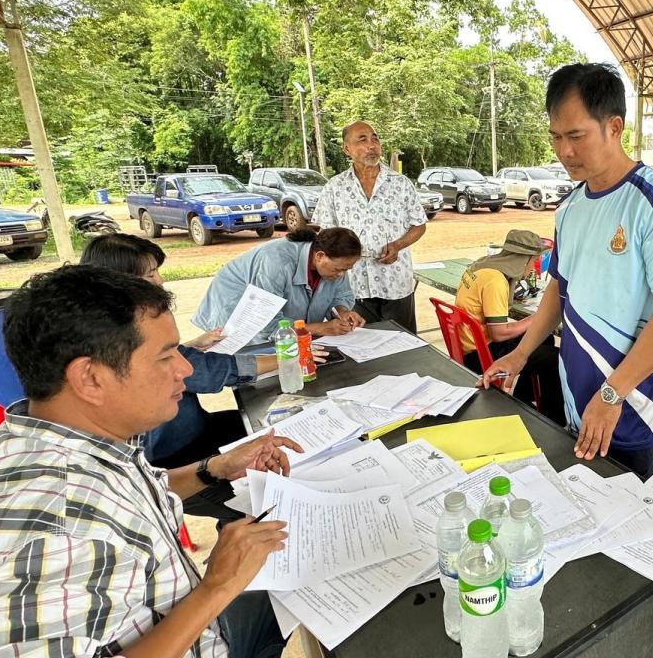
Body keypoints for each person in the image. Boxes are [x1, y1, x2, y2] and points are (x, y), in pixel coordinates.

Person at [0, 264, 301, 657]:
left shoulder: (64, 437)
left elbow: (127, 502)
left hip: (185, 624)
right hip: (196, 620)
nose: (185, 370)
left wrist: (213, 468)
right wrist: (216, 587)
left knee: (300, 570)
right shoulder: (51, 540)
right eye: (166, 356)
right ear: (90, 378)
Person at [482, 63, 653, 481]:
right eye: (556, 137)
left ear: (614, 127)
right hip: (576, 391)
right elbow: (559, 288)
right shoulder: (570, 208)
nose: (564, 151)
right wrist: (521, 353)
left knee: (624, 521)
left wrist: (613, 393)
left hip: (632, 402)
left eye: (576, 136)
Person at [80, 235, 328, 518]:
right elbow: (208, 372)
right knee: (266, 506)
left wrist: (188, 346)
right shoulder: (119, 341)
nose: (159, 281)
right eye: (150, 275)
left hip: (199, 432)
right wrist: (287, 358)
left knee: (282, 433)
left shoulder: (119, 327)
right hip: (174, 462)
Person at [312, 120, 428, 332]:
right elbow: (325, 234)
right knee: (361, 348)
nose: (372, 145)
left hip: (395, 282)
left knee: (404, 346)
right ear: (347, 149)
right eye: (362, 140)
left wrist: (398, 245)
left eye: (375, 139)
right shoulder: (335, 187)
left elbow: (419, 225)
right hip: (352, 285)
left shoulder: (400, 184)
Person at [456, 229, 565, 425]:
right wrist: (539, 318)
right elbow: (498, 334)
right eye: (533, 262)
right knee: (555, 358)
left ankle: (523, 398)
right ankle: (553, 419)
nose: (533, 269)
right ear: (522, 260)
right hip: (480, 354)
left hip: (468, 343)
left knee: (543, 338)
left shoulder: (481, 267)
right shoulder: (496, 281)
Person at [194, 225, 365, 341]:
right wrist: (320, 328)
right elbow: (264, 325)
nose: (341, 274)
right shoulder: (276, 262)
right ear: (320, 256)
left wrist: (343, 312)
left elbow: (341, 295)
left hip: (270, 320)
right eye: (339, 269)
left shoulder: (335, 265)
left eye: (347, 270)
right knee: (252, 369)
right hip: (233, 309)